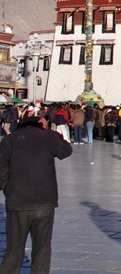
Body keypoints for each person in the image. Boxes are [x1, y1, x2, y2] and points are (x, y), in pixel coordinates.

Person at [0, 115, 72, 273]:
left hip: (18, 200)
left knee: (14, 248)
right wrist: (51, 133)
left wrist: (6, 187)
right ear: (41, 124)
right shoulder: (49, 137)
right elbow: (66, 151)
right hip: (45, 200)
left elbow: (1, 168)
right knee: (42, 247)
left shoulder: (10, 140)